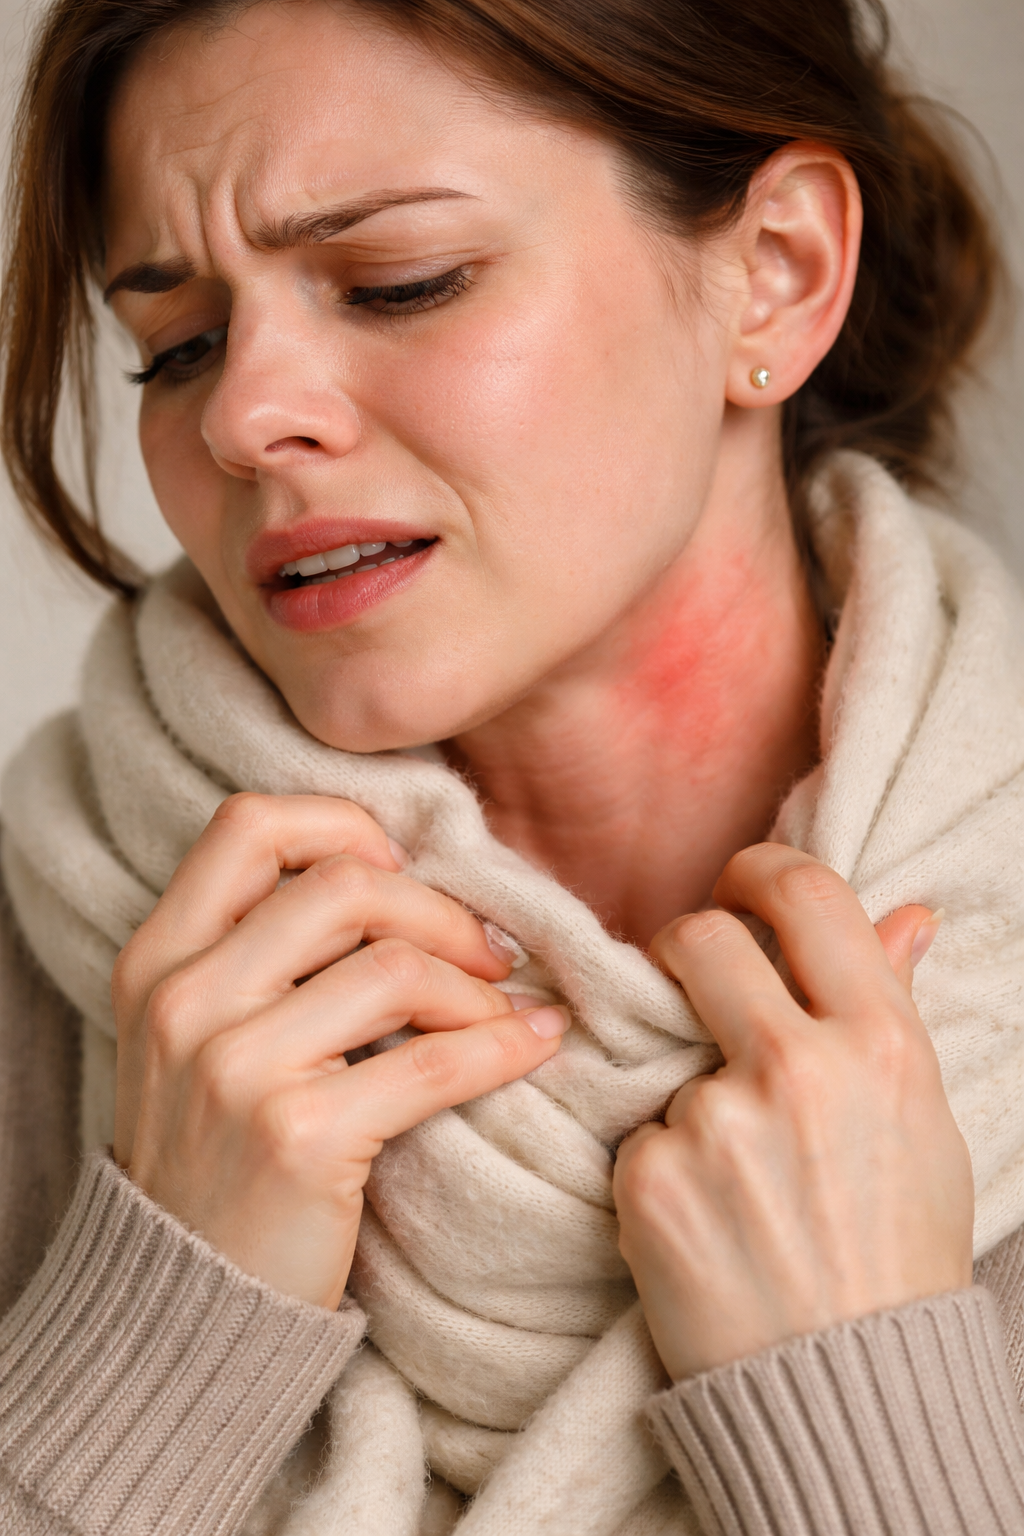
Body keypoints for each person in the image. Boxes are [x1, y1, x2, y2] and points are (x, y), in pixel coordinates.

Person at [0, 0, 1022, 1530]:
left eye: (400, 282)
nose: (243, 420)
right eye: (179, 345)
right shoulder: (48, 965)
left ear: (777, 272)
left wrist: (863, 1417)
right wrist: (153, 1341)